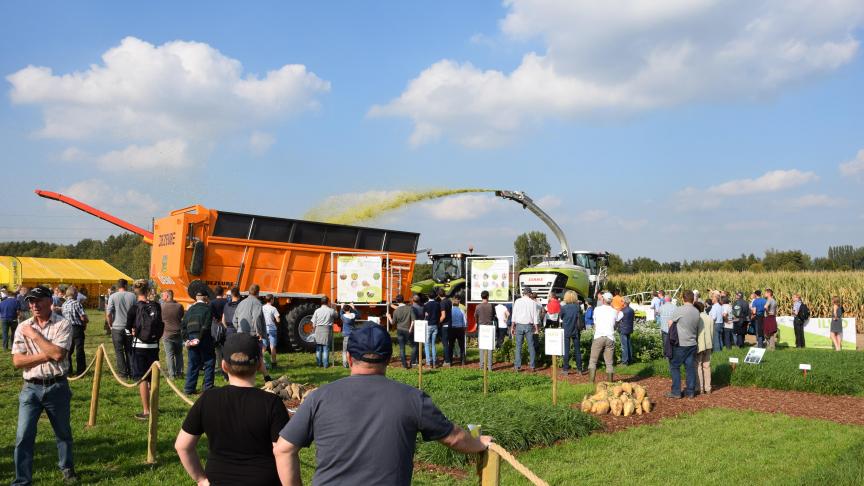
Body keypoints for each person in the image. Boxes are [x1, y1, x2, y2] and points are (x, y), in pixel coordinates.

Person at [273, 325, 492, 485]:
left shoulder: (319, 397)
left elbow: (283, 450)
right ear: (388, 359)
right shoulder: (412, 399)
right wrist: (478, 443)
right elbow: (453, 437)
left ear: (349, 358)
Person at [175, 333, 289, 486]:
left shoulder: (208, 399)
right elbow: (283, 452)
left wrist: (201, 480)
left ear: (223, 365)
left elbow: (182, 446)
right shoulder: (272, 403)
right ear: (259, 365)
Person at [12, 286, 77, 484]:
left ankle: (67, 468)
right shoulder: (23, 325)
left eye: (39, 300)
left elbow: (58, 355)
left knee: (63, 432)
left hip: (56, 386)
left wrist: (34, 336)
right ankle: (22, 480)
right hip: (30, 388)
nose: (34, 305)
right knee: (23, 436)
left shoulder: (62, 324)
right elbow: (17, 362)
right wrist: (47, 353)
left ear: (50, 301)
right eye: (31, 301)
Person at [126, 279, 163, 420]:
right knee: (152, 378)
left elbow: (127, 328)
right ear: (148, 291)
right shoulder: (156, 306)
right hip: (154, 346)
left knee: (142, 378)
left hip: (139, 346)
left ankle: (146, 410)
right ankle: (154, 407)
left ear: (135, 292)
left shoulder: (135, 308)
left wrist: (133, 332)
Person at [667, 290, 700, 399]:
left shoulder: (679, 310)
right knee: (690, 367)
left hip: (681, 343)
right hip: (692, 343)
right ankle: (690, 392)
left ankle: (676, 391)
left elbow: (670, 323)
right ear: (693, 299)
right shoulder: (696, 311)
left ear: (683, 298)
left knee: (674, 366)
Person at [182, 291, 214, 395]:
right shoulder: (207, 308)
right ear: (205, 298)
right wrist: (199, 338)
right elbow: (206, 325)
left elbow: (183, 326)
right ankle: (207, 386)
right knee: (209, 361)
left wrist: (187, 339)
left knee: (193, 363)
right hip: (204, 337)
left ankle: (189, 388)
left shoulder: (190, 309)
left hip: (191, 336)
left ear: (196, 298)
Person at [106, 278, 136, 379]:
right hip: (129, 327)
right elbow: (136, 312)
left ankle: (123, 374)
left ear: (118, 286)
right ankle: (132, 372)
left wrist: (110, 324)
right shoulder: (132, 296)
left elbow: (109, 312)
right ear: (126, 286)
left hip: (117, 327)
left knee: (119, 351)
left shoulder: (113, 296)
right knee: (130, 350)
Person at [588, 293, 621, 383]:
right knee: (609, 363)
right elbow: (618, 318)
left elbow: (595, 322)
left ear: (603, 300)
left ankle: (591, 382)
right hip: (610, 337)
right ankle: (610, 383)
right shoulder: (614, 311)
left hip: (599, 336)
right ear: (611, 301)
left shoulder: (597, 309)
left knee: (593, 360)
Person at [61, 286, 88, 376]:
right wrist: (86, 321)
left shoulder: (64, 304)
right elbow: (82, 316)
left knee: (68, 351)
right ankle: (81, 371)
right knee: (79, 350)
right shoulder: (77, 303)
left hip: (67, 329)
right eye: (77, 293)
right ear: (74, 294)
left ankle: (68, 371)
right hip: (77, 328)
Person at [511, 288, 540, 371]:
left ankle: (517, 366)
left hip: (519, 325)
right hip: (529, 325)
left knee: (518, 346)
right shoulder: (533, 302)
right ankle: (532, 366)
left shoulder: (517, 301)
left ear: (523, 293)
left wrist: (512, 326)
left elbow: (514, 315)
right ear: (530, 294)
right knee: (531, 346)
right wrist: (536, 328)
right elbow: (535, 317)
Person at [161, 289, 185, 379]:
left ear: (167, 296)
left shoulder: (162, 307)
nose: (162, 297)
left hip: (167, 333)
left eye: (163, 295)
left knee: (169, 355)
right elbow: (181, 316)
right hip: (178, 332)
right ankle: (180, 373)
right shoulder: (179, 306)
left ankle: (172, 375)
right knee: (179, 354)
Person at [560, 290, 584, 375]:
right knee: (577, 350)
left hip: (566, 330)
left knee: (566, 350)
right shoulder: (578, 307)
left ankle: (565, 369)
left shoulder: (563, 308)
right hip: (576, 330)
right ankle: (579, 369)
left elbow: (561, 317)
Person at [390, 295, 417, 368]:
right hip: (408, 329)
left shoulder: (396, 311)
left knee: (402, 348)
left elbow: (392, 323)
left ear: (396, 301)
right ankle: (412, 363)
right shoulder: (409, 308)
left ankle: (404, 365)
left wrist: (389, 317)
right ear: (403, 300)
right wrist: (411, 329)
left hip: (400, 330)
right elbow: (414, 320)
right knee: (414, 346)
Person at [694, 301, 713, 395]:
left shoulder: (697, 318)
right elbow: (712, 332)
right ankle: (708, 388)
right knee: (707, 366)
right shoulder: (709, 317)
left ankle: (700, 388)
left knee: (698, 366)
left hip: (699, 345)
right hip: (709, 344)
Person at [312, 297, 337, 368]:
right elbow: (336, 316)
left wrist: (313, 331)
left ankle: (318, 364)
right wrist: (335, 308)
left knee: (318, 348)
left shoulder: (317, 311)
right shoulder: (331, 310)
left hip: (318, 329)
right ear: (328, 302)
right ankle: (325, 365)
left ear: (321, 302)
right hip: (327, 330)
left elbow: (313, 324)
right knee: (326, 348)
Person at [210, 286, 228, 374]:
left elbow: (211, 315)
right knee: (225, 346)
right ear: (222, 292)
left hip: (216, 325)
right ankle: (226, 366)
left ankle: (220, 366)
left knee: (217, 347)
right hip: (225, 325)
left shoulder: (212, 303)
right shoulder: (227, 302)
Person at [475, 291, 495, 371]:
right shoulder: (491, 306)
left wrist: (478, 322)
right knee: (490, 347)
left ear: (481, 297)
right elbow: (493, 315)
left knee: (482, 347)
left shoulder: (478, 306)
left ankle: (482, 366)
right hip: (489, 327)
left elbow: (475, 316)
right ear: (488, 297)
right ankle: (490, 366)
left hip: (481, 327)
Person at [262, 294, 280, 367]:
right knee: (272, 347)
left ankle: (262, 362)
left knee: (264, 346)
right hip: (272, 329)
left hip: (264, 329)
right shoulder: (273, 309)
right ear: (272, 300)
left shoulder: (262, 308)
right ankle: (273, 363)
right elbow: (278, 320)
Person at [423, 293, 441, 368]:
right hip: (435, 325)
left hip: (428, 325)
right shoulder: (437, 304)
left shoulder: (426, 305)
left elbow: (425, 315)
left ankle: (428, 363)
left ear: (428, 296)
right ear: (435, 296)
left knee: (427, 344)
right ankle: (434, 362)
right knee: (433, 344)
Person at [2, 286, 21, 351]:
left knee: (5, 334)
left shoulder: (2, 302)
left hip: (4, 319)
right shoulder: (16, 301)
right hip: (13, 319)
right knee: (13, 333)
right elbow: (18, 311)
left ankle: (5, 347)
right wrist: (19, 316)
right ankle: (13, 346)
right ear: (13, 295)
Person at [448, 296, 466, 366]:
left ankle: (450, 361)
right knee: (461, 346)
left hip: (452, 329)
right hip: (460, 329)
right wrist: (464, 328)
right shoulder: (461, 311)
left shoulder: (450, 311)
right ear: (458, 304)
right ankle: (463, 361)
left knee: (451, 345)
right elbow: (465, 321)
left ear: (452, 304)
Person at [437, 289, 453, 366]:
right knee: (449, 343)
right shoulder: (449, 301)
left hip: (445, 325)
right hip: (450, 323)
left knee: (445, 343)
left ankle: (447, 361)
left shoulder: (442, 303)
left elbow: (443, 316)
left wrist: (438, 322)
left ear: (438, 295)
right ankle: (449, 358)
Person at [658, 295, 677, 360]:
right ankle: (673, 355)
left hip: (664, 328)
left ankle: (666, 356)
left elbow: (657, 313)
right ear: (670, 300)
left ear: (665, 300)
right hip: (672, 328)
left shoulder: (661, 307)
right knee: (673, 342)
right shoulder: (675, 307)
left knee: (665, 343)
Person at [340, 303, 358, 368]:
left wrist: (342, 307)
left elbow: (340, 314)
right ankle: (353, 363)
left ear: (344, 310)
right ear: (350, 309)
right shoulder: (353, 315)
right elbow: (358, 314)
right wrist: (353, 307)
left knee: (345, 351)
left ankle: (345, 364)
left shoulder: (343, 316)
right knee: (352, 350)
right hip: (353, 335)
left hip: (346, 335)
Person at [618, 297, 635, 366]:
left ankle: (624, 361)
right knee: (628, 344)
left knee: (624, 346)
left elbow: (617, 319)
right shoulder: (632, 310)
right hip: (629, 328)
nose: (621, 303)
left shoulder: (622, 311)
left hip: (623, 329)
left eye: (622, 301)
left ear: (624, 303)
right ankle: (630, 359)